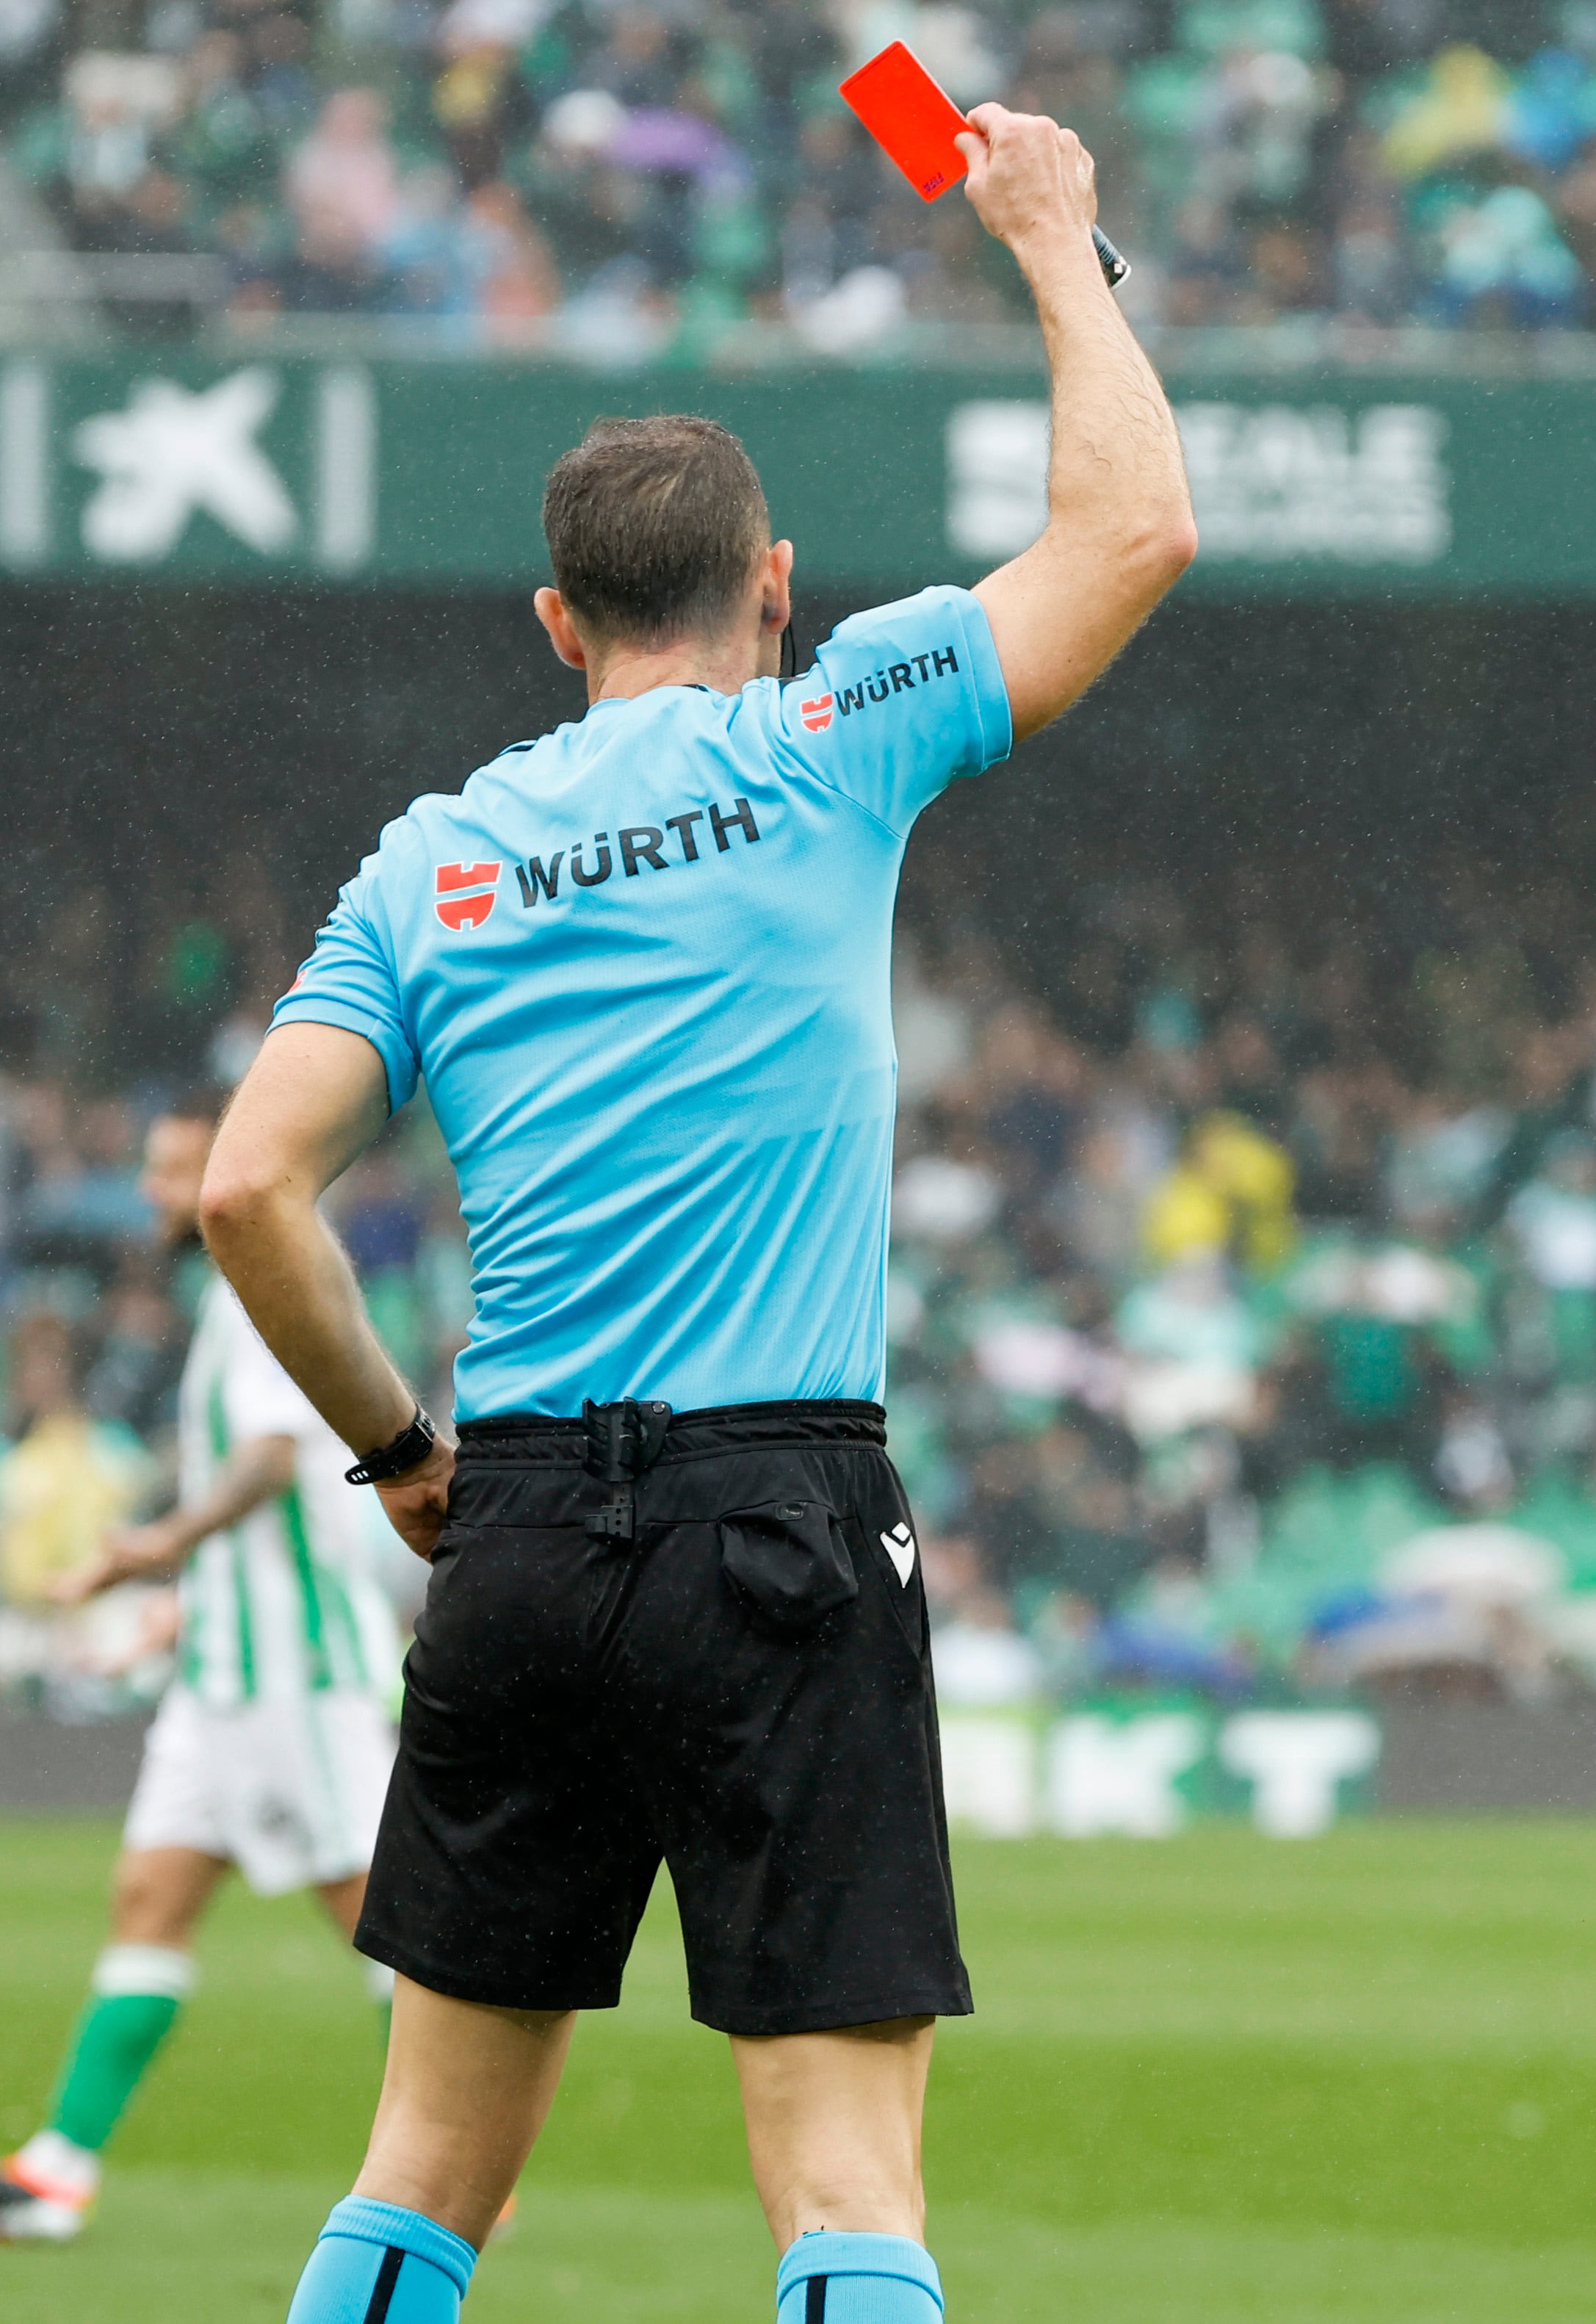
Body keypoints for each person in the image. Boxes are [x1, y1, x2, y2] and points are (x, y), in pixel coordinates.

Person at [195, 101, 1194, 2324]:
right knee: (844, 2185)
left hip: (526, 1530)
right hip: (779, 1517)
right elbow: (1135, 530)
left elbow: (248, 1185)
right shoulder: (835, 730)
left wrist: (404, 1461)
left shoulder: (429, 862)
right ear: (772, 590)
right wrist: (1052, 237)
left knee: (419, 2184)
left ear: (554, 618)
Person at [1, 1093, 400, 2245]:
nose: (157, 1195)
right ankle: (58, 2172)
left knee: (383, 1927)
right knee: (149, 1900)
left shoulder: (275, 1277)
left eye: (177, 1171)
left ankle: (453, 2166)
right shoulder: (227, 1295)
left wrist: (155, 1546)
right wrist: (182, 1608)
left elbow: (278, 1462)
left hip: (298, 1679)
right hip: (220, 1678)